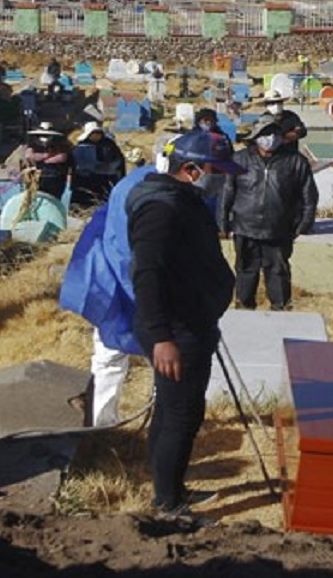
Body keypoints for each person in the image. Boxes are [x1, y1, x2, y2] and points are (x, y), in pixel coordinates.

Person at [129, 130, 244, 519]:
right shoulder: (160, 210)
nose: (223, 179)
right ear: (192, 169)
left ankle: (171, 486)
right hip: (175, 329)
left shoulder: (185, 200)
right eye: (217, 170)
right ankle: (168, 505)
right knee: (180, 413)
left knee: (177, 408)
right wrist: (162, 337)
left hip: (192, 322)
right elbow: (147, 274)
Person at [60, 135, 185, 427]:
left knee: (114, 355)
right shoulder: (145, 192)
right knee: (116, 352)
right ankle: (106, 426)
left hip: (120, 280)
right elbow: (133, 254)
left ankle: (124, 422)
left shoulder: (151, 183)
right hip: (122, 281)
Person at [221, 114, 318, 311]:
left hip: (279, 230)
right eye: (265, 134)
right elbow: (227, 193)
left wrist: (304, 224)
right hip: (245, 228)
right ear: (256, 136)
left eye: (274, 133)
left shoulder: (295, 162)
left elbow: (309, 196)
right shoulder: (239, 160)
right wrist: (223, 223)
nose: (270, 138)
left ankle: (280, 312)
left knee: (278, 273)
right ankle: (244, 311)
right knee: (245, 272)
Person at [70, 122, 126, 210]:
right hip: (85, 180)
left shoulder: (109, 145)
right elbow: (76, 164)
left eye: (98, 133)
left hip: (106, 179)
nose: (96, 136)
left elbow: (118, 161)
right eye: (93, 133)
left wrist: (109, 167)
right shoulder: (81, 147)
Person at [22, 123, 73, 200]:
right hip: (36, 178)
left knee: (54, 200)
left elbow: (62, 157)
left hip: (56, 179)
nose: (44, 138)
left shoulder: (61, 146)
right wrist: (46, 156)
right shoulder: (32, 145)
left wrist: (45, 158)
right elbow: (29, 156)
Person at [260, 89, 307, 154]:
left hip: (291, 154)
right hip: (273, 156)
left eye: (279, 102)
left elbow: (302, 131)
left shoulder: (291, 116)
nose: (277, 105)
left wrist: (290, 136)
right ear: (266, 105)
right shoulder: (263, 119)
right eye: (272, 103)